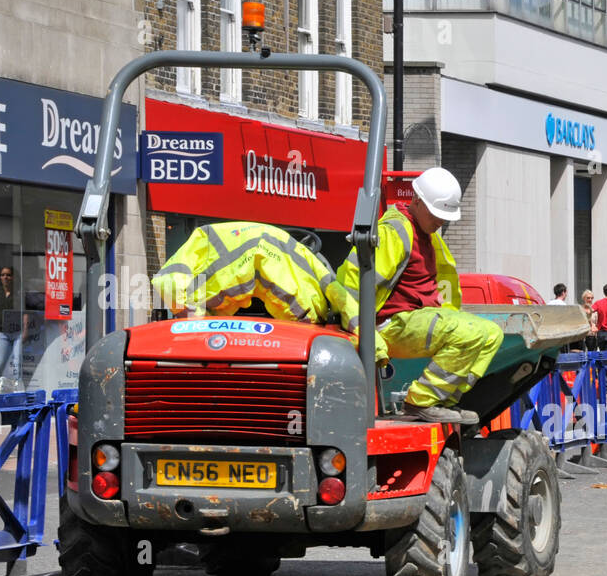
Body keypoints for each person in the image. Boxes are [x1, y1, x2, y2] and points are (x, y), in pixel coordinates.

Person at [338, 167, 503, 424]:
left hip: (415, 319)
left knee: (493, 334)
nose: (441, 221)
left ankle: (440, 399)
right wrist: (356, 329)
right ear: (416, 200)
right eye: (436, 214)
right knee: (469, 333)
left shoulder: (426, 233)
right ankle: (421, 402)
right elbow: (354, 282)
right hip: (392, 324)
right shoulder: (395, 231)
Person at [153, 221, 349, 325]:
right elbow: (334, 294)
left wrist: (195, 319)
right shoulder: (302, 257)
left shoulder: (205, 239)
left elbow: (168, 283)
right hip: (295, 317)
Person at [0, 265, 29, 392]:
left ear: (13, 277)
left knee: (17, 361)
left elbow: (25, 312)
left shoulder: (19, 292)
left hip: (17, 331)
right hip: (1, 332)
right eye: (3, 275)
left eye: (8, 275)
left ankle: (18, 389)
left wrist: (26, 330)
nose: (5, 277)